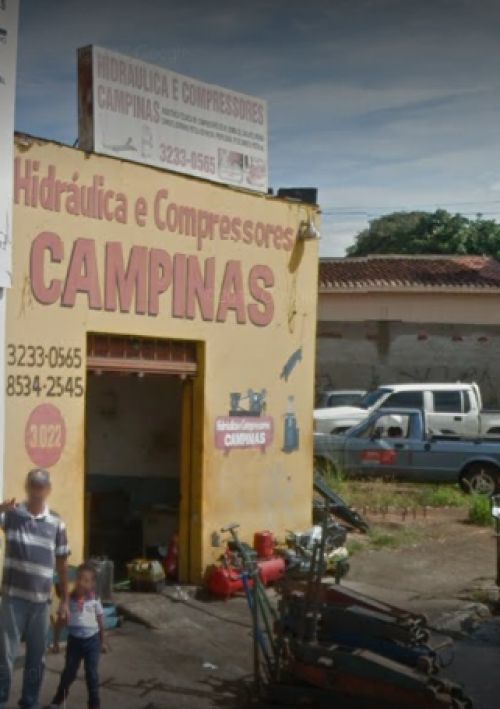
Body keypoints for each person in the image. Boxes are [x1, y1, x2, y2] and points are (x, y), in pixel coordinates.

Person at [0, 468, 70, 709]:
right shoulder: (11, 515)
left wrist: (65, 600)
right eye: (33, 485)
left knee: (36, 659)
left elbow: (62, 564)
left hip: (41, 603)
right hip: (13, 600)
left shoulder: (57, 523)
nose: (36, 490)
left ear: (47, 490)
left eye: (41, 486)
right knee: (5, 655)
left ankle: (29, 702)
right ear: (26, 487)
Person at [47, 563, 106, 709]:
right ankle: (57, 700)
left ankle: (94, 703)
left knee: (91, 674)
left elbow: (100, 622)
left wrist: (102, 642)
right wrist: (55, 641)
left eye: (86, 580)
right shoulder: (67, 600)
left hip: (92, 642)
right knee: (69, 673)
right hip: (74, 642)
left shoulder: (94, 599)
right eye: (79, 578)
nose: (81, 582)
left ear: (92, 584)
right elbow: (59, 623)